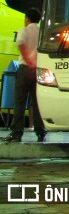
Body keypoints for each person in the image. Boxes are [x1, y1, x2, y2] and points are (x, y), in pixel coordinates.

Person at [1, 8, 47, 143]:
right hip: (38, 70)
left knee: (19, 101)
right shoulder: (42, 32)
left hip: (25, 68)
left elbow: (20, 44)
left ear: (27, 18)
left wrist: (28, 60)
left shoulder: (24, 31)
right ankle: (40, 131)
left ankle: (17, 133)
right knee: (37, 102)